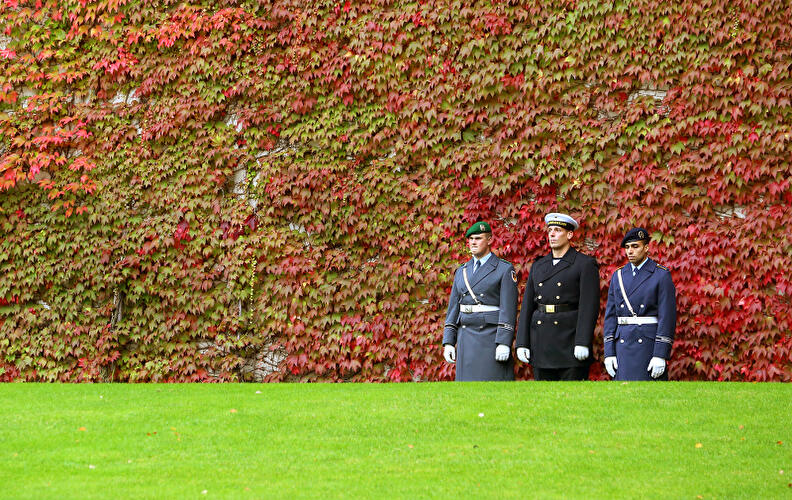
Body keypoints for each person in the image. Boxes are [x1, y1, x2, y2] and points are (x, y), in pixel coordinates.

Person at [515, 213, 600, 380]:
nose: (552, 234)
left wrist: (582, 341)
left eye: (558, 230)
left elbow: (589, 307)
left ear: (569, 235)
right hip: (541, 341)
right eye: (550, 230)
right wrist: (522, 342)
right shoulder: (539, 265)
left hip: (569, 341)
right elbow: (527, 307)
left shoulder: (584, 264)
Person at [442, 221, 518, 381]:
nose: (473, 243)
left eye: (478, 238)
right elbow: (453, 309)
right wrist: (448, 341)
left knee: (493, 389)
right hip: (466, 337)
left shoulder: (504, 269)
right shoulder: (461, 271)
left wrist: (504, 341)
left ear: (489, 240)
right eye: (470, 239)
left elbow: (508, 309)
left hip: (490, 337)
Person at [602, 228, 676, 381]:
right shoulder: (619, 275)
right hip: (622, 346)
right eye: (627, 247)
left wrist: (660, 354)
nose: (630, 251)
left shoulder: (660, 275)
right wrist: (609, 353)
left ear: (646, 248)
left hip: (648, 346)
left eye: (635, 246)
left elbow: (667, 317)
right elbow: (610, 317)